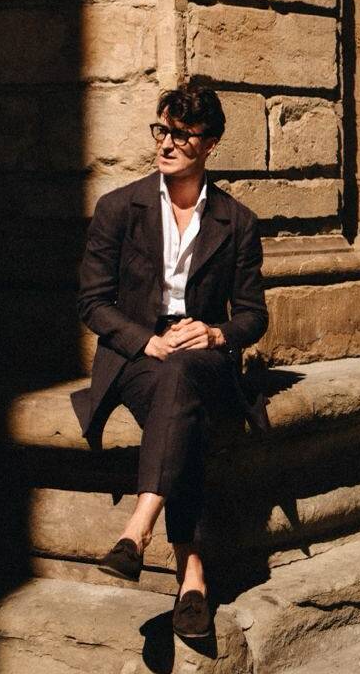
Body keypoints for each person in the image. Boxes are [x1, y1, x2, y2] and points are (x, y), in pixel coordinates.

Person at [70, 75, 268, 639]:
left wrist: (214, 333)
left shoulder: (237, 222)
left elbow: (254, 315)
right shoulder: (118, 207)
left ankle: (138, 530)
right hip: (135, 356)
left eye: (183, 135)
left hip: (200, 355)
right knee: (181, 404)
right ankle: (193, 577)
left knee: (182, 376)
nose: (167, 144)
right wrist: (146, 341)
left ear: (209, 144)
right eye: (162, 130)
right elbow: (92, 302)